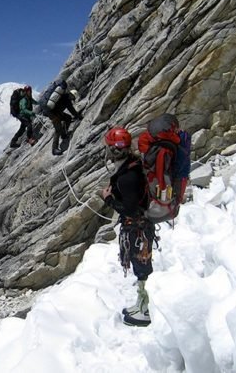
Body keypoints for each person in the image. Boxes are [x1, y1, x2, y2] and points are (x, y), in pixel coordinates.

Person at [100, 126, 153, 327]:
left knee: (142, 266)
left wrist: (109, 199)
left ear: (114, 149)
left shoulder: (127, 177)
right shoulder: (131, 166)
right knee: (140, 264)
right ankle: (141, 303)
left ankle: (146, 310)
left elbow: (129, 209)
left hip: (137, 228)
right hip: (139, 228)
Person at [46, 83, 82, 155]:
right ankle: (54, 149)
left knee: (68, 117)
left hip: (56, 112)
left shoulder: (64, 96)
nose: (72, 99)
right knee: (58, 129)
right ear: (72, 95)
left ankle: (64, 135)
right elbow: (72, 110)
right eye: (73, 98)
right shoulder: (67, 99)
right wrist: (79, 116)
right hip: (53, 114)